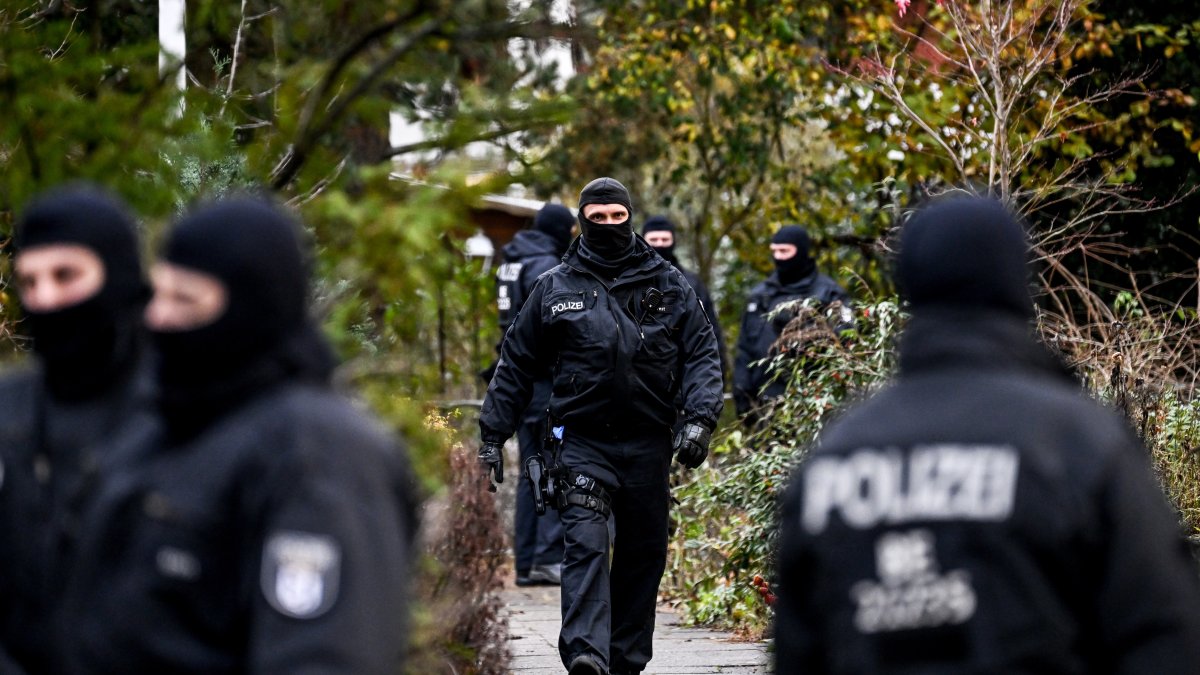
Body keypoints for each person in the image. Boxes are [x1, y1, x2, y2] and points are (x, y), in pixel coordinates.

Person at [774, 195, 1200, 674]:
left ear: (911, 286)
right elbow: (1163, 632)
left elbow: (798, 651)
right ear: (1017, 280)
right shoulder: (1079, 443)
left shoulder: (833, 458)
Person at [59, 195, 417, 674]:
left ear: (250, 307)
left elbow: (323, 654)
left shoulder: (319, 454)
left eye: (185, 299)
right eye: (157, 294)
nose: (158, 318)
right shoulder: (154, 428)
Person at [478, 177, 723, 675]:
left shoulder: (668, 283)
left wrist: (699, 419)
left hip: (649, 440)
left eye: (617, 216)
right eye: (598, 217)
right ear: (582, 221)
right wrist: (490, 436)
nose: (609, 225)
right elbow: (516, 364)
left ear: (629, 216)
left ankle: (625, 658)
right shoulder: (555, 286)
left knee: (643, 551)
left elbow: (701, 353)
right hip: (581, 440)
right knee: (586, 542)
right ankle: (587, 653)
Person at [0, 184, 156, 674]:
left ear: (117, 274)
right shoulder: (9, 412)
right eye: (29, 282)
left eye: (66, 275)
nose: (45, 299)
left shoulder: (190, 413)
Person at [495, 202, 574, 586]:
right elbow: (549, 329)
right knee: (554, 463)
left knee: (532, 470)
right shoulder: (545, 265)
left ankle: (526, 562)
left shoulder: (511, 261)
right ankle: (546, 557)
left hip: (518, 382)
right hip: (544, 386)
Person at [733, 225, 851, 422]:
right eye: (774, 251)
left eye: (784, 251)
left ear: (801, 251)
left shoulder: (829, 294)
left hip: (812, 404)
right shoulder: (760, 296)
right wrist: (741, 390)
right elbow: (745, 348)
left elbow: (845, 342)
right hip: (765, 407)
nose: (778, 257)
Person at [641, 215, 728, 386]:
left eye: (665, 239)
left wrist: (714, 381)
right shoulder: (630, 282)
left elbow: (710, 333)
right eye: (653, 239)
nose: (659, 244)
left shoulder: (692, 284)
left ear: (673, 241)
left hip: (684, 386)